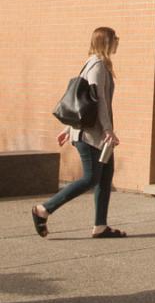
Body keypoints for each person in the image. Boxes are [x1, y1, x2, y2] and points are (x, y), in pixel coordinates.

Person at [31, 27, 125, 239]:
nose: (118, 41)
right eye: (115, 38)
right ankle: (43, 209)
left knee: (105, 177)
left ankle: (100, 226)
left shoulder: (97, 64)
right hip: (91, 136)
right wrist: (108, 129)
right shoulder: (98, 66)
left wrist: (68, 128)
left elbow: (84, 103)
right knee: (91, 178)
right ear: (106, 41)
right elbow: (97, 100)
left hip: (96, 135)